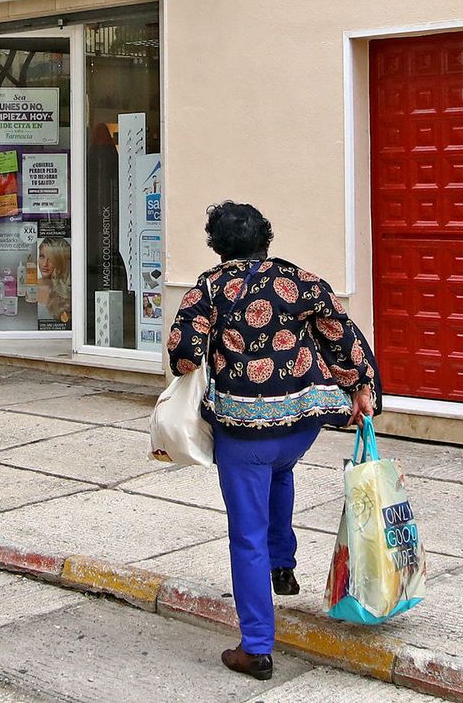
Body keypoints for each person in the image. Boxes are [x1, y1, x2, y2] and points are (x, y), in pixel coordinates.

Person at [166, 201, 382, 681]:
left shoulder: (209, 287)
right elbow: (341, 335)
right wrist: (361, 385)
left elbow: (183, 357)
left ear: (217, 245)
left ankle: (257, 647)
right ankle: (283, 566)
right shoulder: (299, 278)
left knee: (246, 535)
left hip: (245, 433)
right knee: (281, 473)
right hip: (301, 423)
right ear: (265, 239)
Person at [36, 236, 72, 325]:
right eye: (42, 256)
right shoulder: (28, 287)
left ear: (61, 261)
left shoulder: (70, 291)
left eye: (51, 259)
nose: (45, 264)